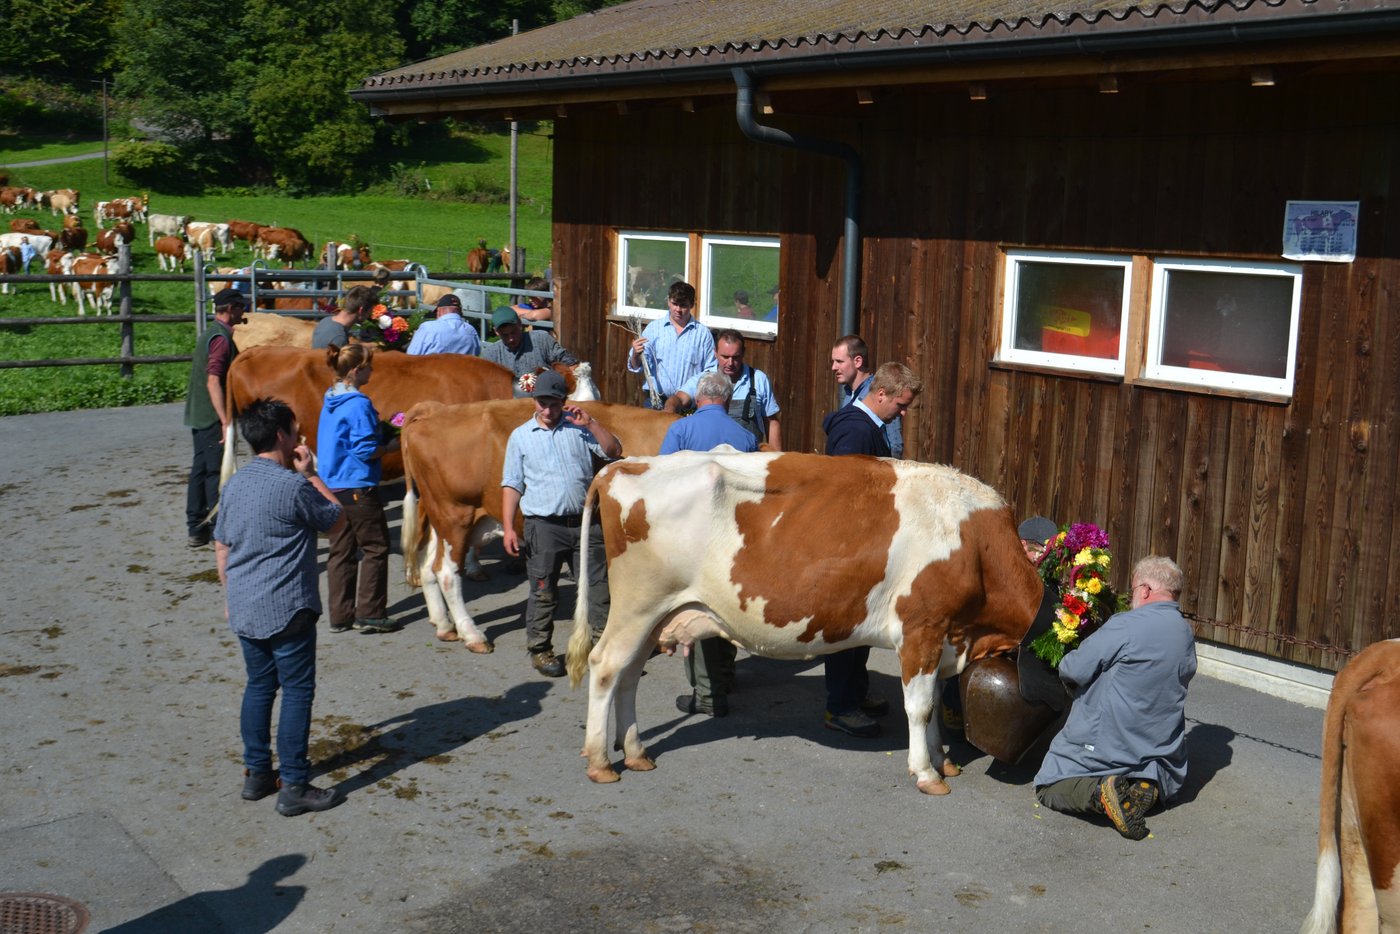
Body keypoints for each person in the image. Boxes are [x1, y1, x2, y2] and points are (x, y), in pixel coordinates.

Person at [214, 397, 345, 817]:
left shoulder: (235, 484)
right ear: (281, 436)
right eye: (294, 429)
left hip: (244, 604)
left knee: (259, 686)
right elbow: (335, 519)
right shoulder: (293, 487)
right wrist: (312, 474)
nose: (298, 435)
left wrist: (230, 594)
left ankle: (256, 774)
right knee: (297, 692)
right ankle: (294, 784)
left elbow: (222, 544)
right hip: (288, 606)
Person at [1033, 555, 1197, 840]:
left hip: (1109, 742)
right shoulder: (1184, 632)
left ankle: (1100, 793)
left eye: (1132, 590)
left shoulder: (1126, 625)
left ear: (1145, 590)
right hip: (1155, 743)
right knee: (1154, 768)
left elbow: (1075, 668)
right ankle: (1146, 784)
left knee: (1049, 785)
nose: (1131, 597)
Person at [820, 362, 923, 737]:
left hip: (863, 543)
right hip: (851, 546)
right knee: (848, 627)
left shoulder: (867, 427)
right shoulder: (856, 430)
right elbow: (844, 490)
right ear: (881, 394)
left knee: (861, 627)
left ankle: (855, 693)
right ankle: (840, 707)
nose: (903, 413)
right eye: (901, 404)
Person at [501, 370, 623, 678]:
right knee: (543, 590)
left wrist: (592, 424)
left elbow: (614, 452)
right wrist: (509, 527)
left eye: (554, 404)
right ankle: (540, 649)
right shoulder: (521, 437)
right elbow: (512, 483)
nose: (547, 410)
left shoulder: (579, 428)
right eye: (542, 403)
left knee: (597, 589)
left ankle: (601, 648)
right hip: (543, 526)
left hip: (585, 524)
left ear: (563, 402)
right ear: (534, 401)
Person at [659, 371, 757, 717]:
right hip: (731, 534)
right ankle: (724, 675)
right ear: (727, 400)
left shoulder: (681, 430)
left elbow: (663, 483)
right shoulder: (746, 437)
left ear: (699, 398)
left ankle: (707, 692)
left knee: (697, 611)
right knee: (725, 607)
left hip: (692, 534)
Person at [317, 343, 398, 635]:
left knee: (341, 550)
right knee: (376, 546)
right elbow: (365, 450)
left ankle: (340, 616)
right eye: (368, 366)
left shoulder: (331, 398)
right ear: (355, 371)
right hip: (358, 485)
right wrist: (389, 446)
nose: (372, 371)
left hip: (333, 486)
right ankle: (370, 613)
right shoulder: (359, 404)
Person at [184, 287, 248, 548]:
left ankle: (195, 528)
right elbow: (213, 381)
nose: (244, 313)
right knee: (214, 472)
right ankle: (215, 530)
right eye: (241, 307)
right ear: (230, 309)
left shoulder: (210, 333)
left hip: (199, 413)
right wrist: (224, 420)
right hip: (212, 415)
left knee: (199, 470)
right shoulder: (221, 339)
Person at [665, 329, 782, 449]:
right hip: (710, 454)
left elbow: (772, 422)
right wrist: (668, 413)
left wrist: (777, 456)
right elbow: (678, 399)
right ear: (715, 353)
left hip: (747, 453)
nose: (730, 363)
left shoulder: (758, 379)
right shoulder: (704, 380)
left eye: (735, 357)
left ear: (743, 353)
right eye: (725, 357)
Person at [626, 280, 717, 408]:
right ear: (668, 301)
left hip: (688, 406)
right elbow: (637, 366)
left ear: (692, 304)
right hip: (656, 403)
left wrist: (687, 393)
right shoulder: (654, 329)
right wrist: (635, 354)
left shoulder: (702, 334)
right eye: (675, 304)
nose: (678, 309)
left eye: (683, 305)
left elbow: (710, 370)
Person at [830, 335, 904, 458]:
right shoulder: (849, 394)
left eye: (839, 361)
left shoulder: (878, 394)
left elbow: (894, 447)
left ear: (858, 361)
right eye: (833, 362)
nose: (833, 367)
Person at [481, 307, 579, 396]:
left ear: (520, 324)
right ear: (496, 332)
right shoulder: (490, 355)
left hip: (545, 400)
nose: (511, 339)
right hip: (508, 402)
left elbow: (572, 364)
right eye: (505, 335)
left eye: (513, 332)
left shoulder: (541, 340)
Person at [405, 293, 481, 356]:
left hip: (433, 369)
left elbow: (411, 356)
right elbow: (476, 353)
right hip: (463, 369)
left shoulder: (427, 328)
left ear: (439, 311)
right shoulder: (471, 330)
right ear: (460, 311)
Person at [311, 285, 379, 350]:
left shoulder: (325, 321)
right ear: (361, 310)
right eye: (370, 311)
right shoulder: (339, 338)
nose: (370, 315)